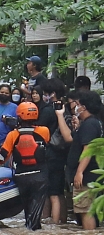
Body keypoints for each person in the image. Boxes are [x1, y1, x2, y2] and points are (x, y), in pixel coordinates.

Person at [0, 102, 50, 231]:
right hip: (40, 175)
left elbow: (1, 158)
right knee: (35, 213)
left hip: (22, 177)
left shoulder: (13, 135)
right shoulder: (44, 131)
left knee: (27, 211)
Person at [58, 90, 103, 230]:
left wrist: (79, 172)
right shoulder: (94, 123)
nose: (75, 107)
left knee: (86, 211)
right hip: (92, 176)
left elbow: (87, 149)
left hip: (87, 177)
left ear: (84, 106)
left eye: (77, 104)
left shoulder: (90, 124)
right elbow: (73, 139)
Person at [42, 78, 69, 224]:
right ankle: (63, 221)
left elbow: (39, 129)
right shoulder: (66, 108)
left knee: (51, 193)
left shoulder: (48, 110)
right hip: (63, 154)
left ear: (52, 93)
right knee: (59, 192)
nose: (45, 96)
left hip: (50, 153)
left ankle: (53, 223)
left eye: (46, 93)